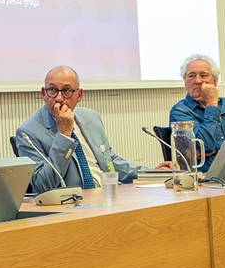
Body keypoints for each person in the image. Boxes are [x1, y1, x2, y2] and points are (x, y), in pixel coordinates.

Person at [16, 66, 164, 193]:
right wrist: (64, 136)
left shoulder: (91, 118)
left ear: (79, 95)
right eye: (52, 90)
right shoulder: (28, 133)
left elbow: (109, 162)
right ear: (43, 93)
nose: (59, 98)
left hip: (108, 195)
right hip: (74, 205)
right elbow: (43, 185)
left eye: (67, 91)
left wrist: (151, 173)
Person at [169, 54, 225, 171]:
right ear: (185, 83)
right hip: (205, 177)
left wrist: (217, 147)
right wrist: (211, 104)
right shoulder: (180, 110)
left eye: (203, 75)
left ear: (215, 81)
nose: (197, 80)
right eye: (191, 76)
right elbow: (204, 146)